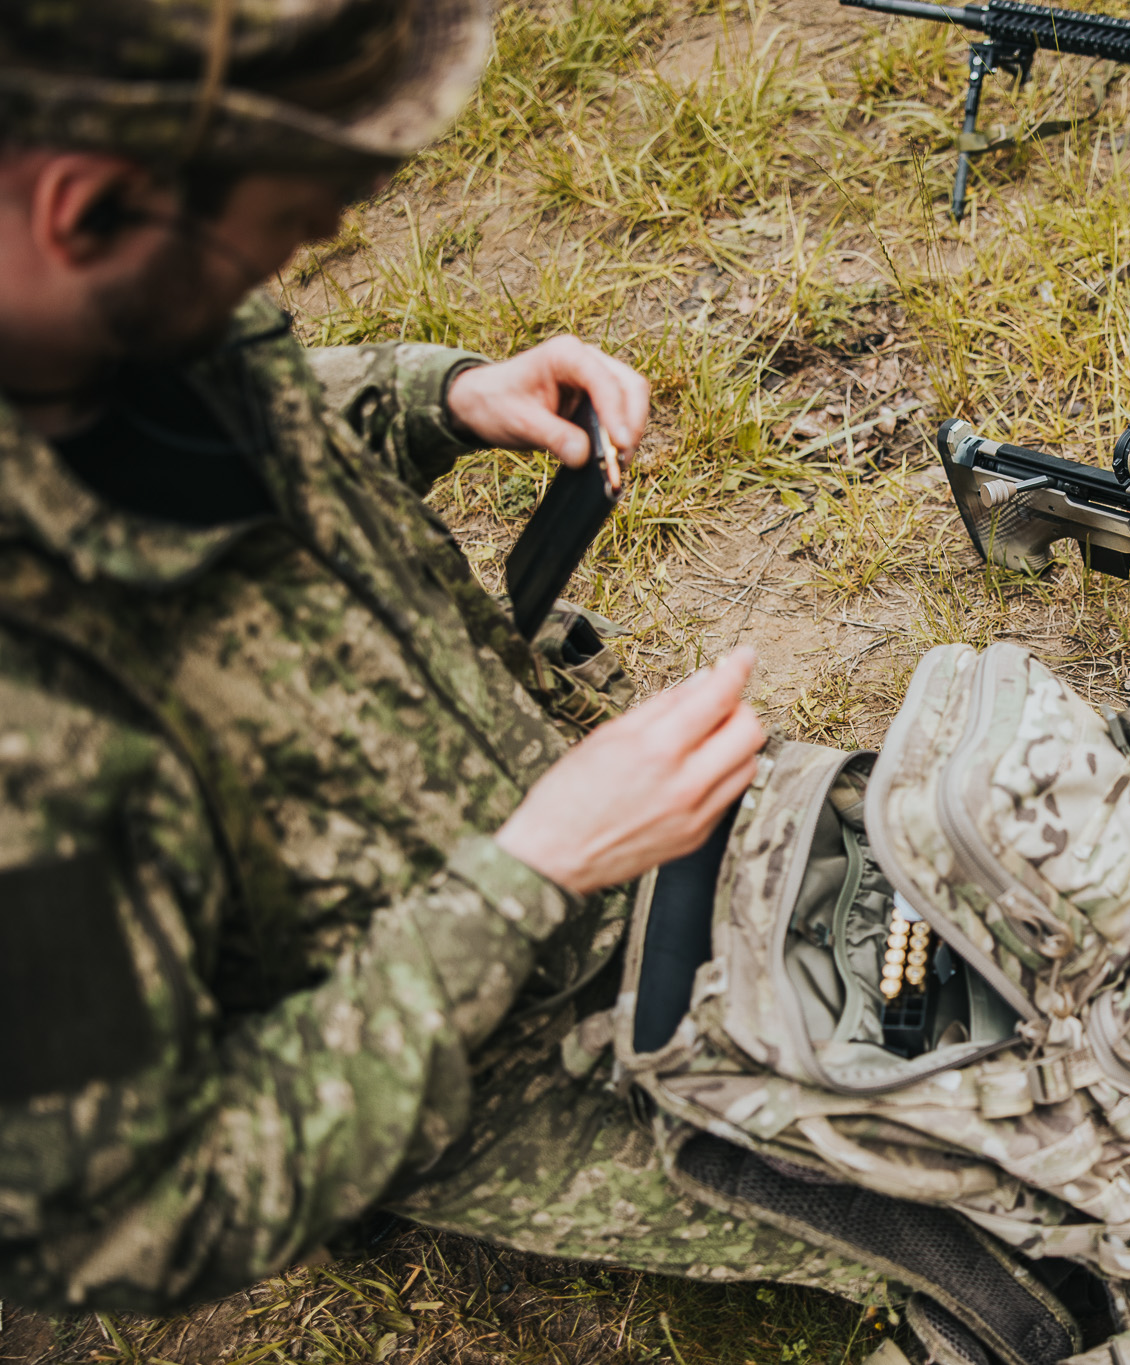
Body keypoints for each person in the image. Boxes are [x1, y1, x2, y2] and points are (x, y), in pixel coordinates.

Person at [0, 0, 877, 1313]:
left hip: (549, 821)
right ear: (85, 208)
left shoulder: (84, 290)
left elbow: (210, 393)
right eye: (292, 219)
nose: (322, 239)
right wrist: (530, 874)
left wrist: (438, 397)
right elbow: (135, 1210)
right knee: (1037, 1194)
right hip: (431, 1048)